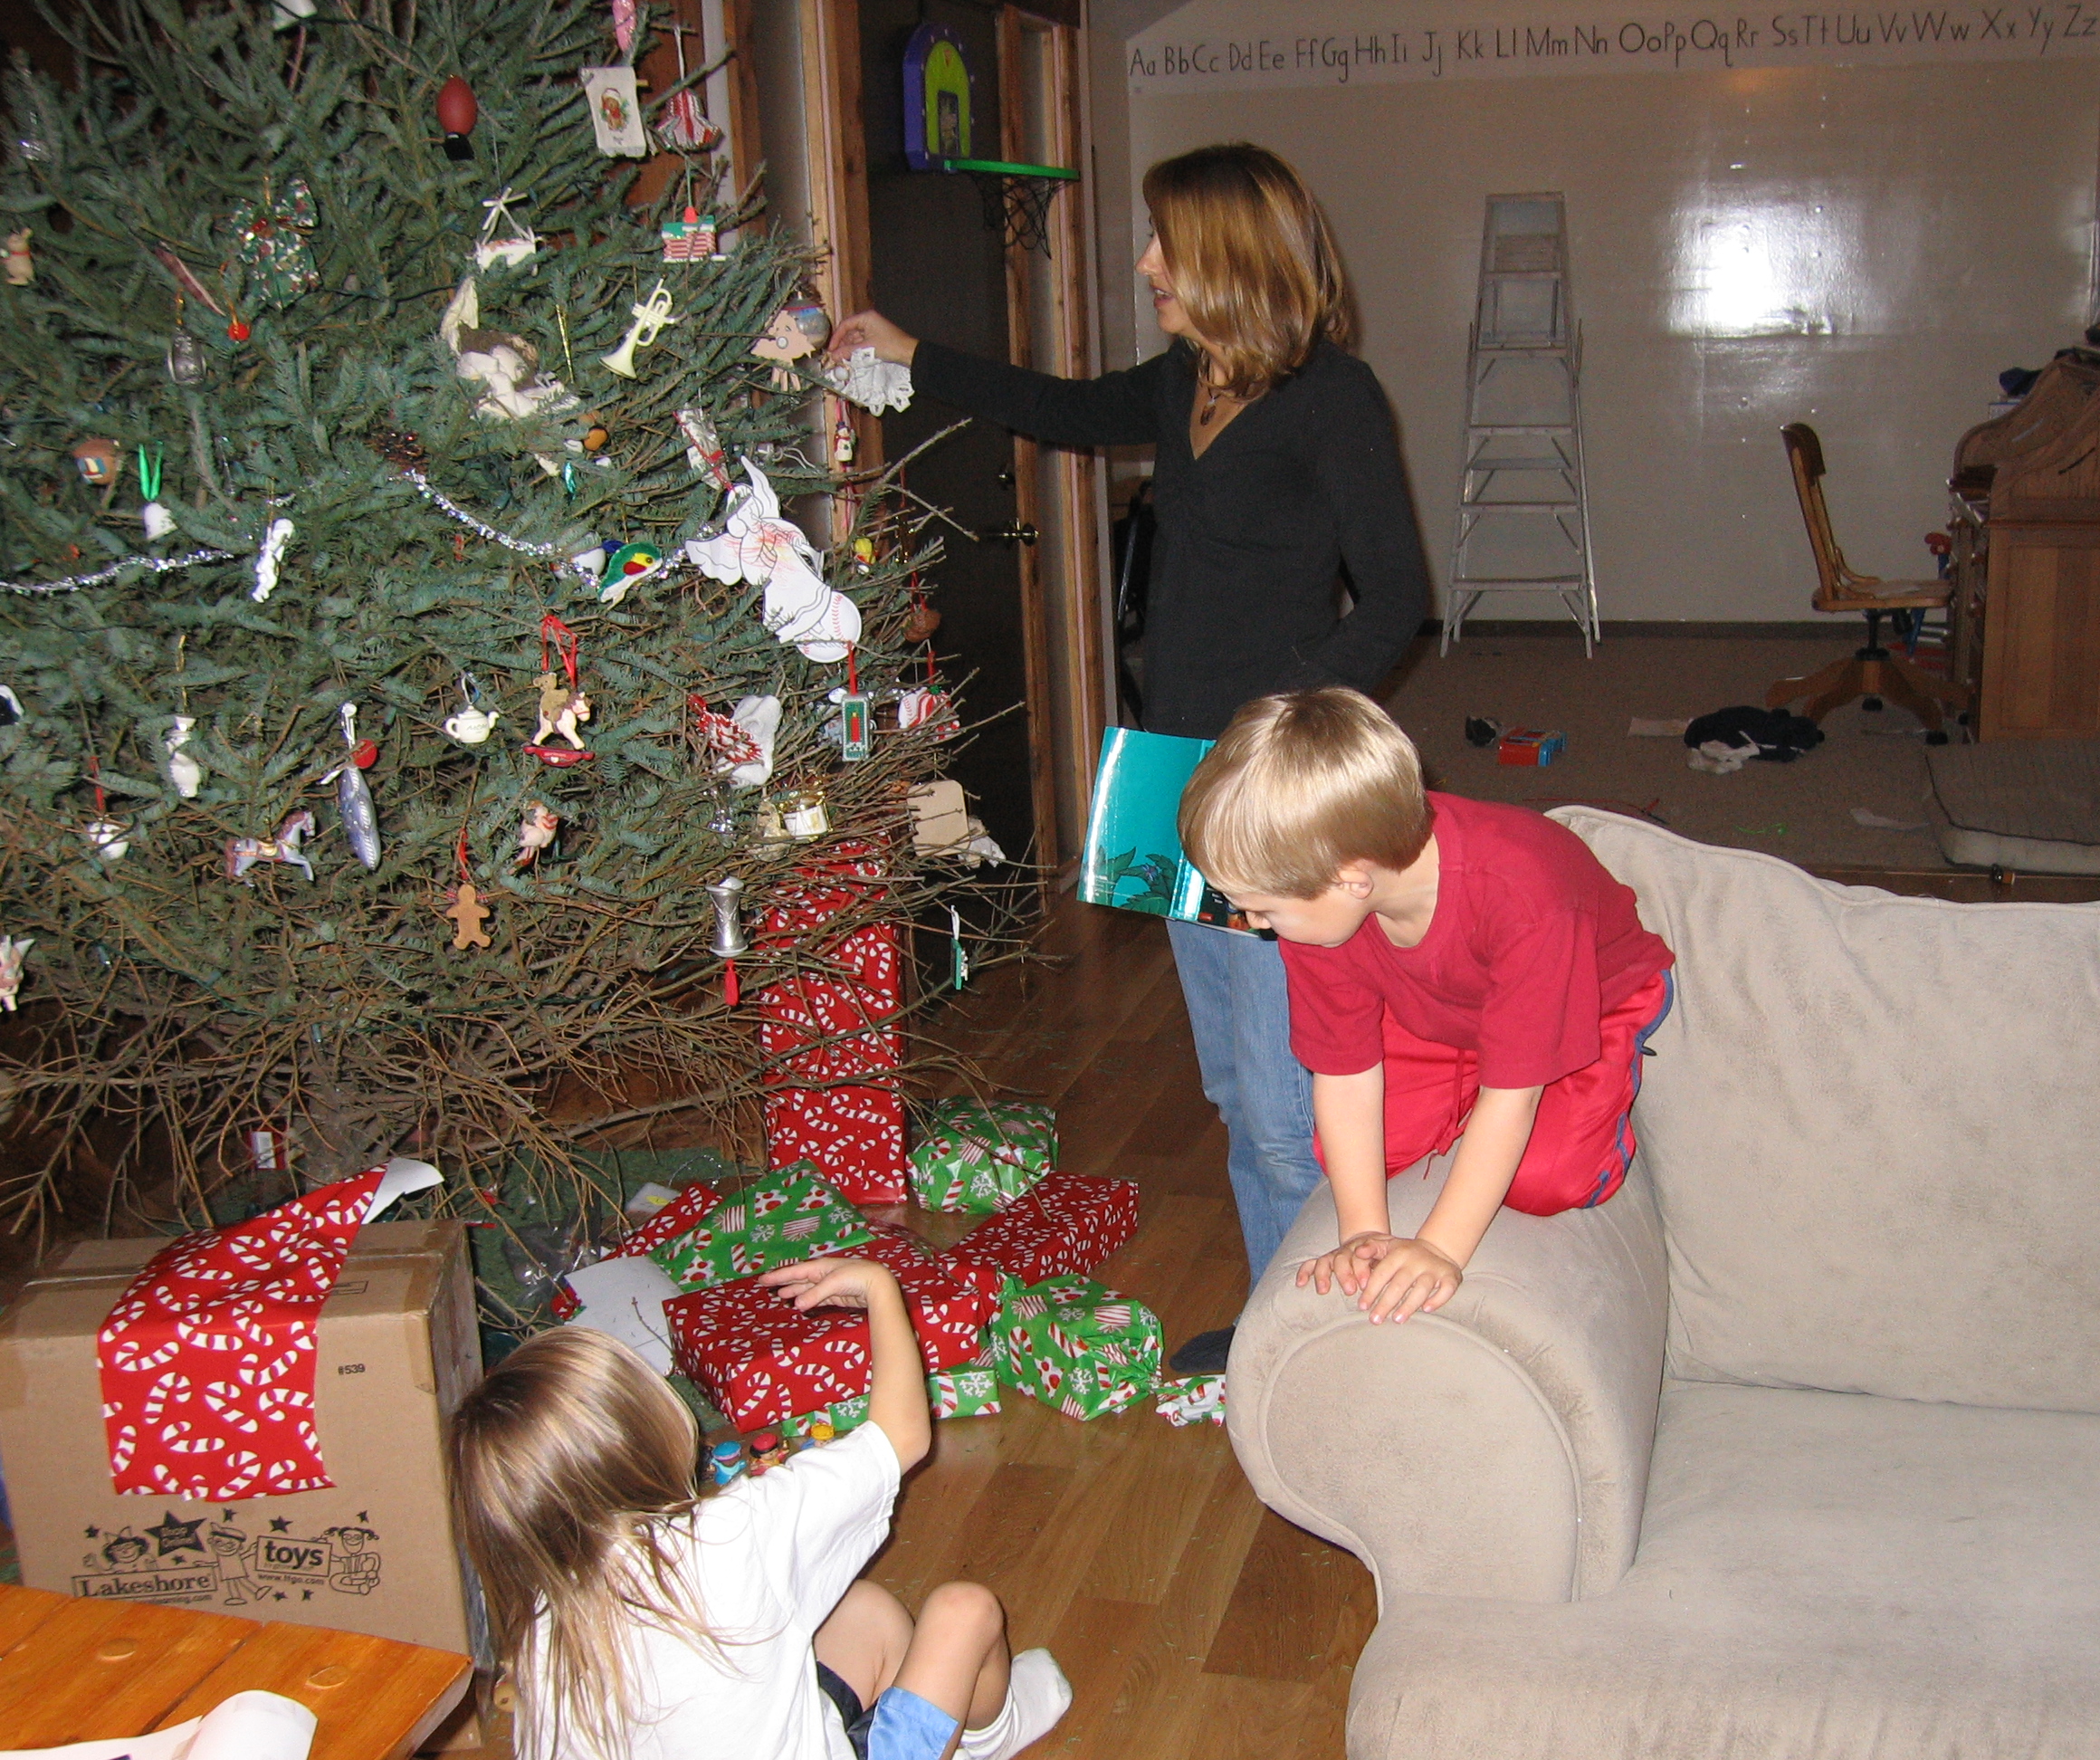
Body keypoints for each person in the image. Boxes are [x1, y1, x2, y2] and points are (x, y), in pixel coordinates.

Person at [827, 143, 1428, 1372]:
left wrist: (1287, 740)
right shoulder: (1185, 380)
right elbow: (1061, 406)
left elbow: (1396, 602)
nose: (1147, 261)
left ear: (1231, 255)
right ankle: (1276, 1317)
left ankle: (1309, 1348)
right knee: (1229, 1087)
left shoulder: (1334, 398)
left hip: (1265, 789)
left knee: (1283, 1103)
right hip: (1168, 774)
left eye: (1166, 242)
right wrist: (909, 352)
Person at [1178, 688, 1677, 1323]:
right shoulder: (1325, 914)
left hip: (1586, 998)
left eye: (1262, 908)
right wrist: (1363, 1232)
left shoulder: (1524, 894)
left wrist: (1440, 1248)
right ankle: (1462, 1085)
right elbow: (1345, 1075)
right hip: (1436, 1007)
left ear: (1351, 880)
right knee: (1355, 1152)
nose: (1253, 923)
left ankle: (1599, 1107)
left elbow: (1513, 1098)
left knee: (1545, 1177)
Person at [446, 1260, 1070, 1760]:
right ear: (651, 1433)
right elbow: (901, 1435)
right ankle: (984, 1740)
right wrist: (882, 1290)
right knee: (965, 1611)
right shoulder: (734, 1532)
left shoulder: (542, 1626)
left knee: (864, 1611)